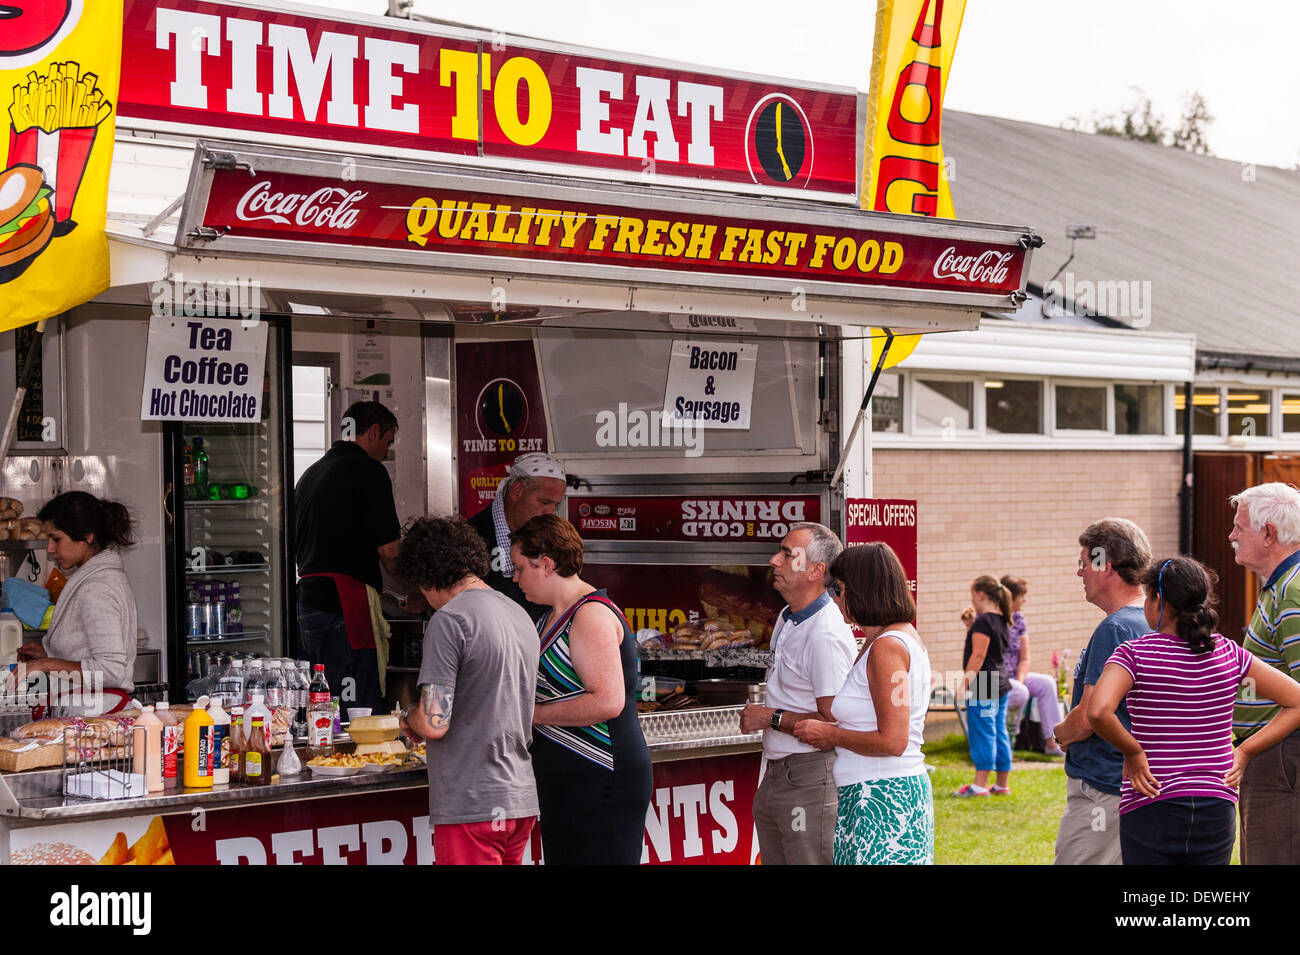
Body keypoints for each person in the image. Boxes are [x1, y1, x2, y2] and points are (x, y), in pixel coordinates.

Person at [1087, 556, 1300, 865]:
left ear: (1157, 601)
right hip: (1215, 804)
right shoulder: (1229, 653)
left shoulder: (1135, 654)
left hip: (1152, 800)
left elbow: (1099, 711)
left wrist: (1133, 753)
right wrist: (1245, 752)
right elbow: (1295, 701)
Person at [394, 517, 539, 865]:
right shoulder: (518, 612)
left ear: (426, 574)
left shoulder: (450, 619)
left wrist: (406, 715)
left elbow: (433, 722)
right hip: (520, 796)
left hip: (472, 800)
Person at [508, 514, 651, 864]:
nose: (514, 578)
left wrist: (530, 715)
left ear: (546, 565)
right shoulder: (547, 615)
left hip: (601, 774)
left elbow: (607, 701)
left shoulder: (589, 615)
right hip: (568, 779)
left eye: (519, 568)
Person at [793, 542, 933, 865]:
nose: (833, 598)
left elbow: (895, 740)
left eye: (837, 588)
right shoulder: (889, 639)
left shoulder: (887, 648)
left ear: (862, 588)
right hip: (872, 793)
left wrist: (831, 736)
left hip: (883, 797)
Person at [738, 522, 856, 865]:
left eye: (789, 555)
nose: (775, 560)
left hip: (809, 776)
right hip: (780, 772)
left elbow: (834, 722)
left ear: (816, 571)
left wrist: (769, 717)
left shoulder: (825, 634)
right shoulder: (789, 616)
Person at [1051, 517, 1151, 865]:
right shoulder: (1153, 621)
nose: (1080, 573)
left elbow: (1089, 716)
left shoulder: (1116, 627)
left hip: (1103, 790)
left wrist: (1059, 733)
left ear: (1104, 566)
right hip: (1135, 788)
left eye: (1084, 563)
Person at [294, 401, 402, 715]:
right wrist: (419, 591)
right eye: (388, 441)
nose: (387, 450)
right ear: (372, 432)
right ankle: (358, 762)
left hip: (307, 605)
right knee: (357, 706)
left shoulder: (310, 474)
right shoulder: (369, 471)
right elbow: (390, 551)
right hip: (343, 606)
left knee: (321, 701)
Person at [15, 491, 138, 716]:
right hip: (89, 713)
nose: (50, 549)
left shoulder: (97, 587)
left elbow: (110, 670)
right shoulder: (95, 578)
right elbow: (87, 653)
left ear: (87, 537)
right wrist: (48, 654)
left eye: (56, 539)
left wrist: (45, 665)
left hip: (94, 719)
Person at [1228, 482, 1300, 864]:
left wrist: (1247, 749)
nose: (1231, 536)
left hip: (1283, 757)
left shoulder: (1291, 591)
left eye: (1240, 527)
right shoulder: (1281, 586)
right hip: (1277, 753)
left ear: (1268, 533)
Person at [468, 452, 567, 620]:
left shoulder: (550, 538)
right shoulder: (470, 536)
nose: (550, 512)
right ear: (517, 491)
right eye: (544, 502)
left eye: (555, 505)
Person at [954, 575, 1013, 797]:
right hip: (1000, 684)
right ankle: (1001, 785)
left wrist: (964, 684)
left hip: (984, 687)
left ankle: (979, 787)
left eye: (973, 597)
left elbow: (978, 656)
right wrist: (971, 627)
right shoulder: (1002, 619)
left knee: (983, 733)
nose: (973, 602)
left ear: (980, 595)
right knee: (999, 732)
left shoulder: (984, 622)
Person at [1000, 576, 1065, 757]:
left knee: (1047, 683)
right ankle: (1010, 738)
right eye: (1021, 596)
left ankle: (1052, 744)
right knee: (1020, 691)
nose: (1024, 600)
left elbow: (1025, 657)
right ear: (1010, 597)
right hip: (996, 680)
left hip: (1016, 677)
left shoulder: (1018, 619)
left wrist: (1019, 680)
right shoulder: (992, 619)